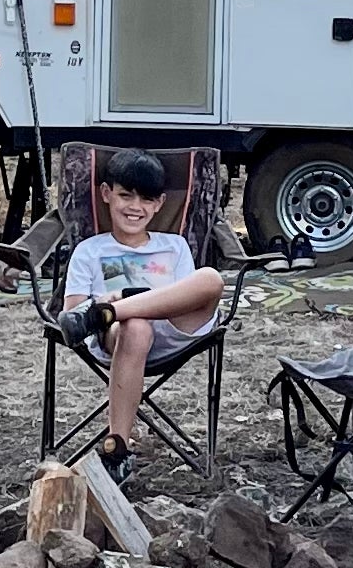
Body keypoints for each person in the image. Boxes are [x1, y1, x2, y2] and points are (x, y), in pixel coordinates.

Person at [59, 147, 227, 478]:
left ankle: (113, 308)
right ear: (106, 194)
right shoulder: (90, 250)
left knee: (211, 279)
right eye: (126, 196)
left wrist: (119, 297)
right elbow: (71, 315)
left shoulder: (174, 245)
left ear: (160, 203)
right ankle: (117, 449)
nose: (136, 207)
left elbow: (183, 299)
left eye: (147, 200)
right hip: (116, 338)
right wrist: (119, 315)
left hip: (172, 332)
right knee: (136, 326)